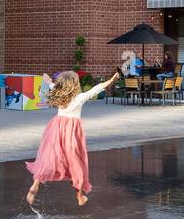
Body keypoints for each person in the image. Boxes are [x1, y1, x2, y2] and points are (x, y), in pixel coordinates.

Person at [26, 70, 119, 207]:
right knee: (75, 161)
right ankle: (79, 195)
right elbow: (97, 88)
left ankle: (35, 184)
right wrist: (111, 80)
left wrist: (48, 81)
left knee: (49, 156)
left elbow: (51, 85)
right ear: (75, 85)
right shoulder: (79, 98)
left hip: (56, 128)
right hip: (72, 132)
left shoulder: (59, 94)